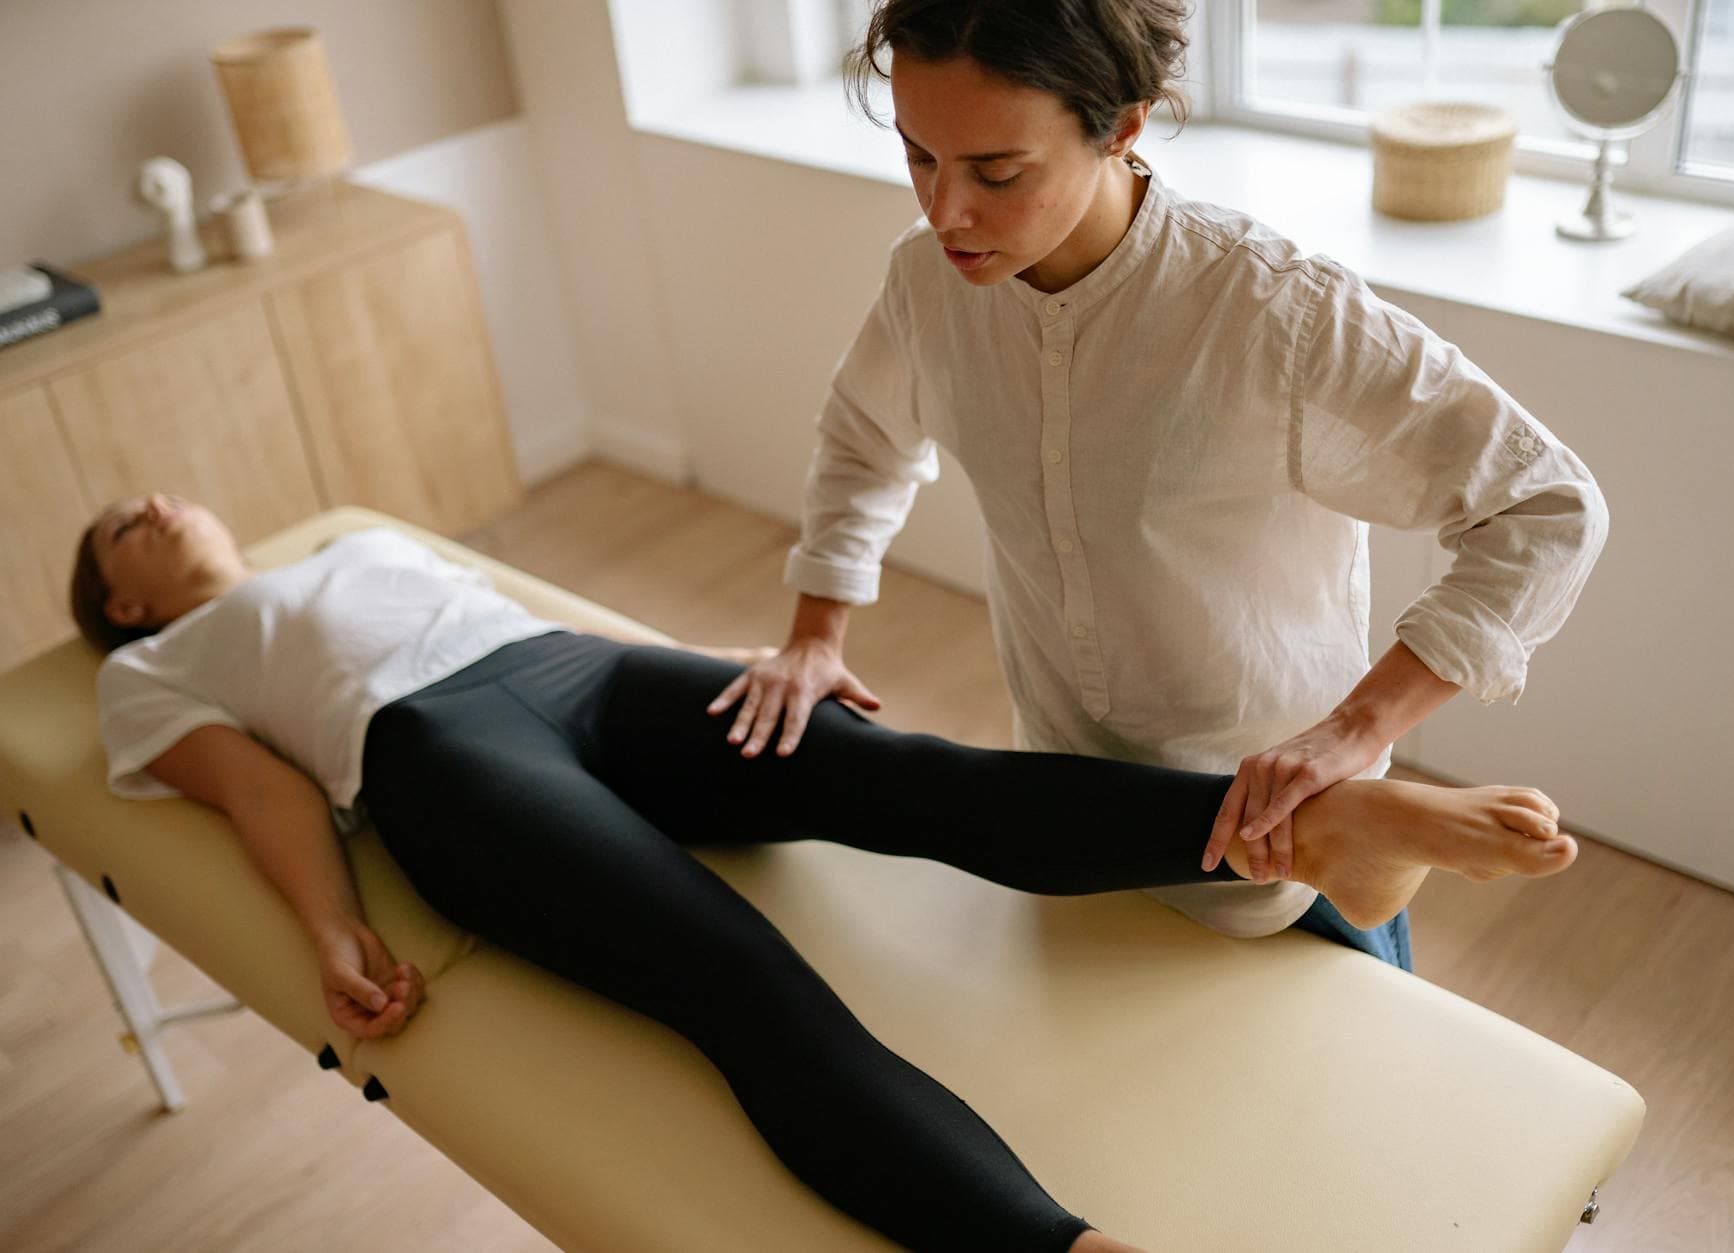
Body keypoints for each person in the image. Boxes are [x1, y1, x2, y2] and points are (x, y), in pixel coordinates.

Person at [75, 492, 1575, 1253]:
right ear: (125, 602)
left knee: (916, 776)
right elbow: (261, 789)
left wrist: (755, 662)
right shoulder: (153, 673)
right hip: (443, 761)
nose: (161, 501)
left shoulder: (355, 538)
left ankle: (1304, 827)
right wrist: (330, 926)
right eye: (126, 525)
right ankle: (1064, 1252)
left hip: (589, 674)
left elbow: (509, 607)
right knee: (734, 978)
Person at [711, 0, 1609, 967]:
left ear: (1123, 125)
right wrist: (814, 634)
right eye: (919, 155)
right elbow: (863, 436)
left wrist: (1356, 727)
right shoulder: (925, 283)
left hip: (1286, 829)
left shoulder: (1273, 311)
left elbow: (1546, 505)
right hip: (1066, 805)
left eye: (997, 172)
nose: (945, 212)